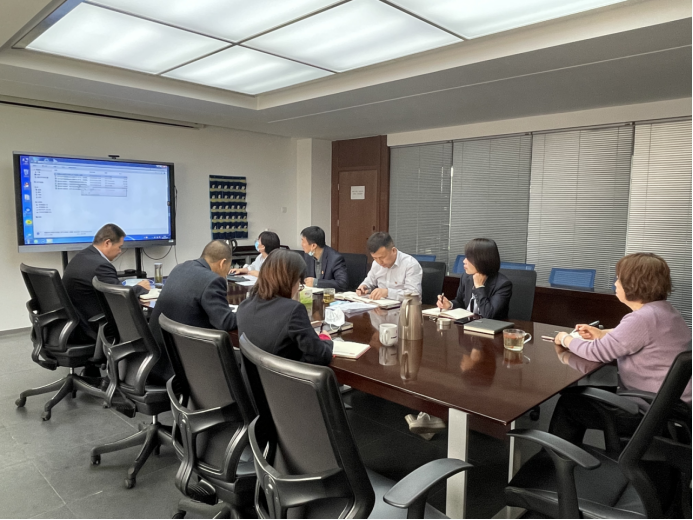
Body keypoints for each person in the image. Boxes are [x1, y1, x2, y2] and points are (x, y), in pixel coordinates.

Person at [550, 253, 692, 445]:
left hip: (650, 414)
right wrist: (601, 333)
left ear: (633, 284)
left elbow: (596, 353)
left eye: (618, 278)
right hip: (673, 409)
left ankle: (553, 460)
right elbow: (636, 336)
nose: (615, 283)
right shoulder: (665, 311)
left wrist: (565, 339)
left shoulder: (641, 319)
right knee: (577, 394)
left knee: (569, 405)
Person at [237, 250, 333, 366]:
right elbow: (320, 356)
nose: (298, 288)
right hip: (283, 376)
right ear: (290, 281)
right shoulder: (293, 310)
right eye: (299, 282)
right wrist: (325, 339)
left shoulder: (244, 306)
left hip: (252, 376)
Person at [63, 223, 150, 343]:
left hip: (77, 324)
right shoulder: (101, 266)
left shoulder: (82, 256)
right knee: (149, 321)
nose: (120, 251)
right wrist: (140, 287)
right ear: (107, 243)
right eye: (119, 247)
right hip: (93, 329)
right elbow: (120, 298)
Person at [149, 240, 237, 350]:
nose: (227, 272)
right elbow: (225, 322)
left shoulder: (179, 268)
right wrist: (245, 311)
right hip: (184, 352)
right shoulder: (213, 280)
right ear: (222, 263)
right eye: (228, 267)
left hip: (158, 345)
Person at [437, 238, 512, 319]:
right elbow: (460, 302)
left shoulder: (502, 285)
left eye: (469, 258)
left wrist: (479, 287)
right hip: (467, 323)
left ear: (482, 260)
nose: (464, 261)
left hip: (489, 326)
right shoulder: (466, 277)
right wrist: (450, 304)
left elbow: (489, 315)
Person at [357, 232, 422, 302]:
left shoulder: (410, 264)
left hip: (403, 307)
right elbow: (369, 281)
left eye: (382, 257)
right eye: (375, 258)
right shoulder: (376, 264)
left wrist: (388, 293)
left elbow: (414, 295)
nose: (379, 262)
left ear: (393, 251)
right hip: (380, 305)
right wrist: (364, 287)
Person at [300, 226, 348, 292]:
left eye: (303, 241)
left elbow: (342, 284)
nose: (301, 244)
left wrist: (316, 282)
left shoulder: (335, 259)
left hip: (329, 296)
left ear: (313, 246)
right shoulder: (308, 255)